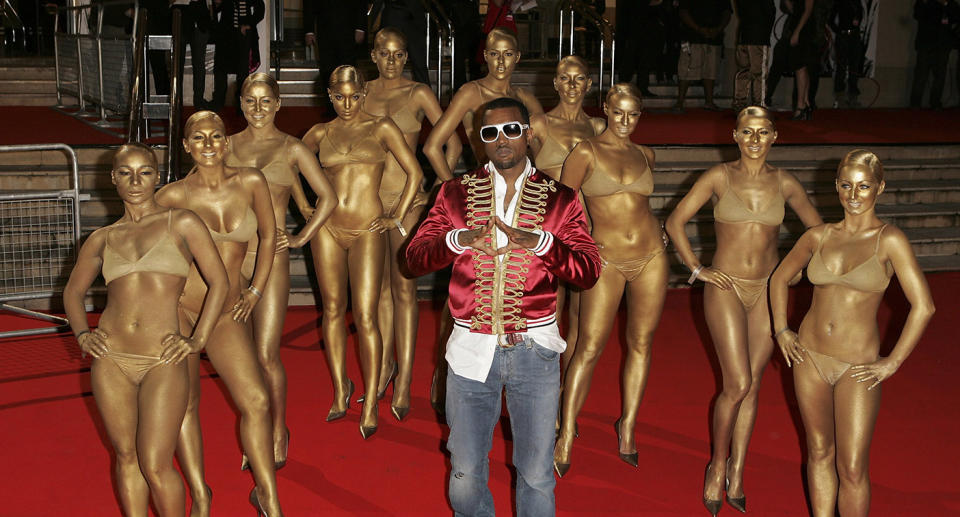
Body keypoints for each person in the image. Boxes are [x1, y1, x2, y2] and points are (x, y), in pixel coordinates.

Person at [405, 96, 602, 517]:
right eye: (490, 133)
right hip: (471, 351)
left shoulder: (560, 199)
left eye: (511, 129)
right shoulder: (454, 194)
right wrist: (457, 240)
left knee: (534, 474)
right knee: (464, 476)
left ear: (528, 134)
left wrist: (541, 243)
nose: (502, 140)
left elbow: (588, 270)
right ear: (481, 141)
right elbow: (414, 257)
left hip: (534, 351)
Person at [665, 106, 822, 516]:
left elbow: (818, 233)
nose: (754, 139)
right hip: (727, 286)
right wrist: (698, 269)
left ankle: (739, 468)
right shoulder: (719, 177)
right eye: (747, 132)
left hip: (769, 290)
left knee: (753, 385)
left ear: (775, 137)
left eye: (763, 132)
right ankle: (717, 465)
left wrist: (794, 271)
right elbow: (675, 221)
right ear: (734, 135)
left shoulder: (785, 182)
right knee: (736, 382)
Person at [63, 143, 228, 517]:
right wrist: (81, 334)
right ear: (113, 179)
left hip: (161, 356)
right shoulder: (102, 238)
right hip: (111, 358)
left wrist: (198, 339)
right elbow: (72, 292)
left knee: (155, 463)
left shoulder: (182, 222)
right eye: (126, 173)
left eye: (145, 172)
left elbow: (219, 282)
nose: (136, 181)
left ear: (159, 176)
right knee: (125, 456)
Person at [770, 149, 935, 517]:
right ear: (836, 187)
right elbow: (780, 277)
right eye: (847, 185)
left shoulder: (890, 240)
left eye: (864, 186)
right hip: (809, 357)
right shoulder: (818, 236)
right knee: (818, 452)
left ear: (880, 188)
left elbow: (924, 306)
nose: (854, 195)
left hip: (857, 367)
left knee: (853, 468)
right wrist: (781, 329)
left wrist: (892, 362)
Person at [156, 111, 283, 517]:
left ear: (226, 142)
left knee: (257, 400)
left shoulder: (250, 182)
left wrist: (257, 288)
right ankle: (201, 494)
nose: (209, 144)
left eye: (216, 136)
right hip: (181, 309)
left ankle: (268, 496)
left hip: (227, 310)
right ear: (186, 145)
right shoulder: (171, 197)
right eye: (199, 137)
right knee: (185, 404)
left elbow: (268, 236)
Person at [421, 26, 544, 413]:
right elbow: (432, 145)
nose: (501, 61)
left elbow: (544, 145)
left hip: (519, 197)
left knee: (514, 281)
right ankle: (448, 369)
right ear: (484, 56)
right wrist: (452, 192)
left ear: (518, 57)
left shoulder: (525, 99)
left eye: (508, 54)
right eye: (494, 54)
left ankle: (509, 371)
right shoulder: (472, 93)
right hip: (478, 197)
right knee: (463, 289)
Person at [302, 65, 424, 438]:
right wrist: (305, 208)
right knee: (333, 309)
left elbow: (415, 173)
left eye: (354, 95)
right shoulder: (320, 132)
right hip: (328, 228)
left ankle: (371, 399)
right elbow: (290, 161)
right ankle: (342, 389)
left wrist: (397, 217)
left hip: (369, 225)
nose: (348, 103)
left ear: (363, 93)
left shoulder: (381, 126)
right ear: (329, 95)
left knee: (366, 314)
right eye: (339, 96)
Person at [553, 83, 667, 477]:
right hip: (608, 259)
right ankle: (566, 431)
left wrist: (662, 230)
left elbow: (641, 205)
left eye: (633, 114)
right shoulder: (586, 151)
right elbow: (562, 207)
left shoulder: (645, 154)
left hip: (651, 255)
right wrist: (583, 245)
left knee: (641, 343)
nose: (625, 121)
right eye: (618, 112)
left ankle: (628, 427)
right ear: (604, 108)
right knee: (589, 345)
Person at [226, 73, 338, 469]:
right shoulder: (225, 147)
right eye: (250, 100)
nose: (257, 109)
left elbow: (328, 196)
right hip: (231, 259)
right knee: (240, 355)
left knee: (265, 352)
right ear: (240, 103)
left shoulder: (291, 149)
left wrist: (301, 237)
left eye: (265, 101)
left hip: (270, 258)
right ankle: (256, 427)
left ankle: (277, 430)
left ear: (277, 104)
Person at [361, 27, 461, 420]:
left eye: (399, 54)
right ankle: (384, 365)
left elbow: (450, 141)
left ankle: (404, 380)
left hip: (408, 203)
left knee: (404, 291)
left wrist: (439, 187)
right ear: (373, 55)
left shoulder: (418, 92)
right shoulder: (362, 92)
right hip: (370, 203)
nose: (392, 60)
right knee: (379, 292)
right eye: (385, 53)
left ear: (406, 57)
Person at [209, 0, 265, 113]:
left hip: (242, 34)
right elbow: (217, 8)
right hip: (225, 32)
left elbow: (260, 8)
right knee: (220, 67)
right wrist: (217, 4)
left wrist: (249, 24)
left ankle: (241, 104)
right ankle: (218, 101)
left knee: (242, 70)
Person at [674, 0, 731, 112]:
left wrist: (719, 29)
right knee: (686, 68)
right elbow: (683, 11)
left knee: (711, 69)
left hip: (714, 37)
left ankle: (709, 102)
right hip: (691, 36)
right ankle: (680, 101)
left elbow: (727, 12)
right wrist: (698, 28)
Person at [303, 0, 366, 97]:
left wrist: (360, 27)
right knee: (327, 69)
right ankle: (331, 107)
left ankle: (349, 104)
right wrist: (309, 30)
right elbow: (309, 3)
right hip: (324, 28)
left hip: (349, 28)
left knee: (348, 69)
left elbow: (361, 3)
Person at [910, 0, 960, 109]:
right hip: (925, 44)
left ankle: (935, 102)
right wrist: (924, 2)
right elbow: (917, 15)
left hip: (943, 44)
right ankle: (915, 103)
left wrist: (946, 4)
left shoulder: (951, 3)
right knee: (921, 75)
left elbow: (956, 17)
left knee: (940, 75)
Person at [732, 0, 776, 111]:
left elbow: (741, 11)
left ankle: (739, 103)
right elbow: (770, 12)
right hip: (759, 36)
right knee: (759, 73)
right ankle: (759, 105)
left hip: (743, 35)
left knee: (743, 71)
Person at [371, 0, 429, 84]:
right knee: (386, 59)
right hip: (392, 15)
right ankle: (384, 93)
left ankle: (425, 94)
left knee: (419, 63)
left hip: (413, 18)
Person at [172, 0, 211, 107]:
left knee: (199, 64)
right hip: (180, 15)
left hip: (200, 20)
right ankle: (176, 100)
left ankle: (199, 101)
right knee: (177, 64)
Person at [830, 0, 864, 107]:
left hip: (855, 36)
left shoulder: (857, 2)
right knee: (841, 67)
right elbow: (830, 20)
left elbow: (860, 15)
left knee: (854, 67)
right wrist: (840, 31)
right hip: (843, 37)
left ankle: (853, 97)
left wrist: (857, 21)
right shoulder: (839, 2)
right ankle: (840, 97)